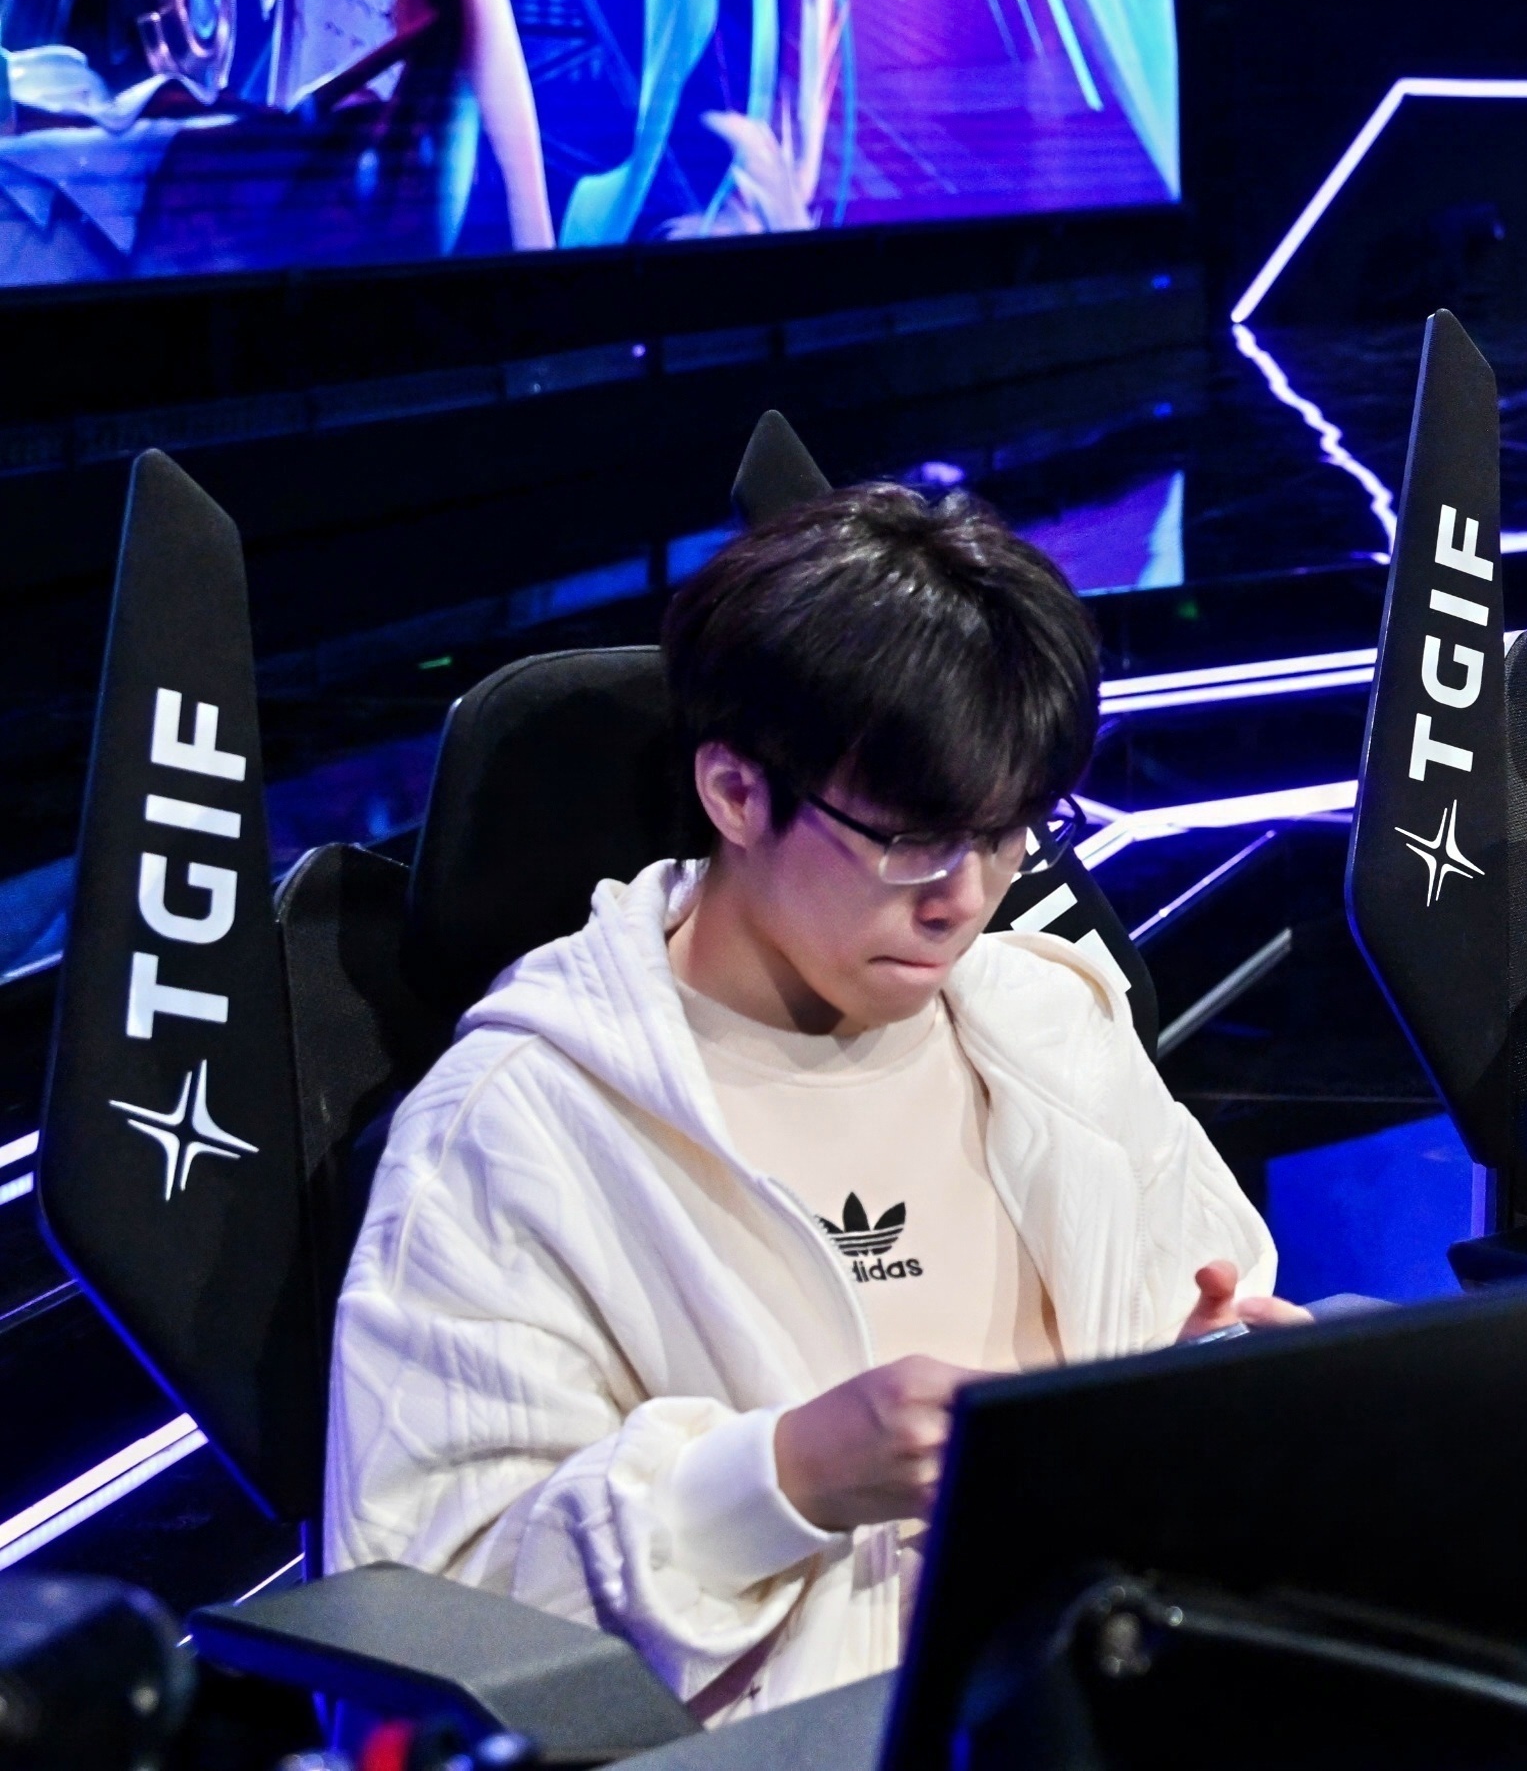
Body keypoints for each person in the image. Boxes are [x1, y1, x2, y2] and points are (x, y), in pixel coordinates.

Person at [329, 488, 1292, 1719]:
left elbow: (1212, 1321)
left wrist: (1211, 1389)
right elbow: (421, 1639)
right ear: (736, 792)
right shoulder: (517, 1125)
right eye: (912, 839)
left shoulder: (1052, 1022)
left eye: (1007, 834)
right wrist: (786, 1476)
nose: (963, 899)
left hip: (1100, 1706)